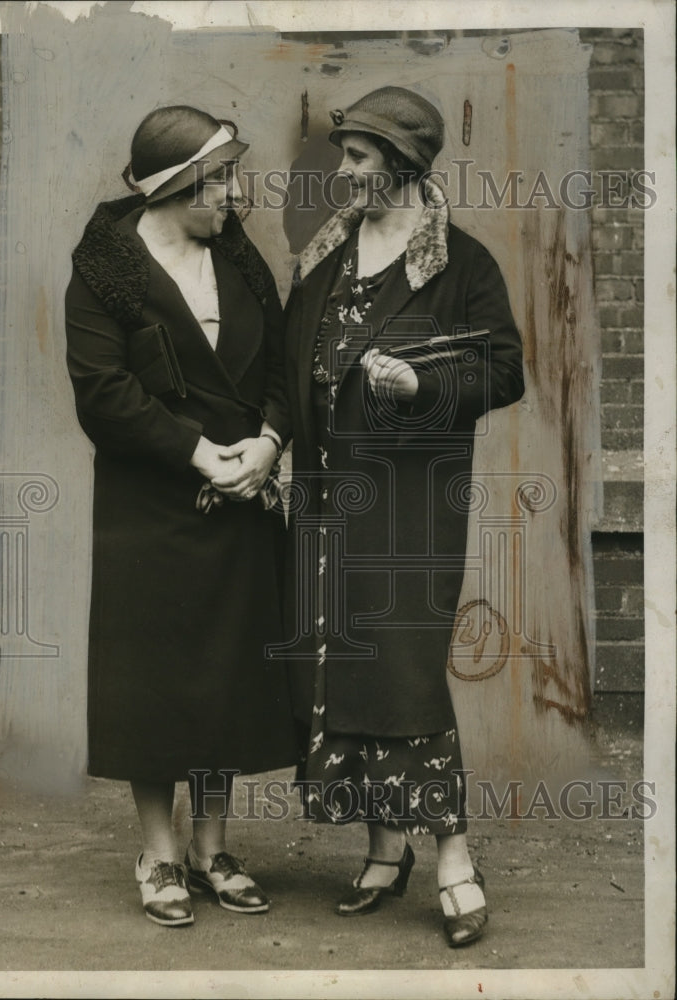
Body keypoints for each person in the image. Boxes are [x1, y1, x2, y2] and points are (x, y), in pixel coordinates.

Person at [283, 86, 524, 946]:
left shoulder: (461, 265)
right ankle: (385, 849)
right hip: (323, 501)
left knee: (404, 672)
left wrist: (424, 384)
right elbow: (291, 369)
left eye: (357, 158)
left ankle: (453, 858)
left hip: (409, 506)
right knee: (337, 663)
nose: (342, 173)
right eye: (344, 155)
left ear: (403, 164)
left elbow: (503, 373)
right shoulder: (325, 254)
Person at [65, 105, 297, 927]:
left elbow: (281, 357)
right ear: (175, 187)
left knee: (225, 675)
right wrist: (205, 454)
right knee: (157, 681)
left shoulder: (239, 260)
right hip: (152, 507)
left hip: (242, 498)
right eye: (221, 180)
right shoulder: (105, 269)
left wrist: (268, 442)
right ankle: (159, 854)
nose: (235, 194)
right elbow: (105, 394)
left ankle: (213, 848)